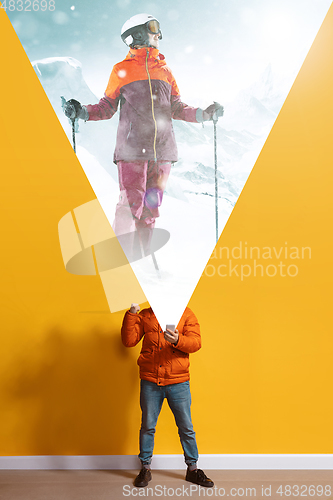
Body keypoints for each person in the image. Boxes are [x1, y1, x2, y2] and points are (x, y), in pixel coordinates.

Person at [63, 13, 223, 258]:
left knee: (151, 208)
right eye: (153, 27)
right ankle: (119, 259)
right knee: (129, 206)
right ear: (136, 35)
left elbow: (177, 107)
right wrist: (81, 111)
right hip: (132, 150)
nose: (158, 33)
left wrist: (204, 114)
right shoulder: (121, 70)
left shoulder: (166, 71)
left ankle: (143, 261)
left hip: (163, 151)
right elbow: (106, 107)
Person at [121, 303, 214, 488]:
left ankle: (193, 470)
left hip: (178, 382)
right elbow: (129, 341)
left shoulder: (186, 313)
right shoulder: (146, 315)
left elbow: (196, 343)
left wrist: (179, 340)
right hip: (150, 380)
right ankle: (145, 469)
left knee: (186, 426)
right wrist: (132, 314)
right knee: (147, 425)